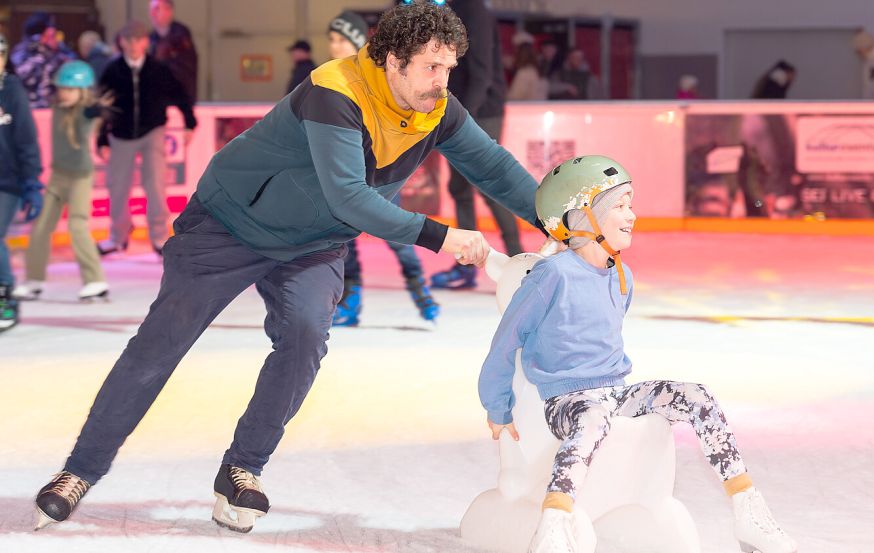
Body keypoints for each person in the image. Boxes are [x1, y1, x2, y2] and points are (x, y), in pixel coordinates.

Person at [33, 1, 544, 533]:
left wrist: (556, 217)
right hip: (230, 222)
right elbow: (348, 196)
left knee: (304, 336)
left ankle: (242, 469)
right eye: (430, 68)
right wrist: (440, 235)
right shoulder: (336, 91)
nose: (442, 83)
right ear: (393, 60)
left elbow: (492, 165)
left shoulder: (436, 108)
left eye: (448, 69)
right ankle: (79, 471)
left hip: (313, 244)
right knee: (161, 343)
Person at [478, 155, 798, 553]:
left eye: (631, 203)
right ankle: (555, 523)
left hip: (615, 393)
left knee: (696, 395)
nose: (632, 215)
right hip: (567, 402)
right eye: (620, 205)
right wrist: (497, 407)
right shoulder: (551, 276)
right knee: (594, 416)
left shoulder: (621, 275)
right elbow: (506, 341)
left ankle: (748, 509)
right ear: (581, 216)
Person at [324, 10, 439, 326]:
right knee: (345, 243)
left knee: (398, 237)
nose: (334, 47)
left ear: (357, 41)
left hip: (378, 176)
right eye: (331, 40)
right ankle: (350, 302)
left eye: (341, 40)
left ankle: (422, 295)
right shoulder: (327, 77)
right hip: (345, 177)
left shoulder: (379, 78)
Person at [430, 0, 524, 290]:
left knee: (490, 186)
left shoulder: (473, 9)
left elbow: (482, 72)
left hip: (482, 109)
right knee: (460, 188)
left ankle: (520, 263)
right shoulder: (446, 7)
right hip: (464, 107)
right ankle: (469, 264)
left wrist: (460, 118)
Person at [94, 20, 196, 256]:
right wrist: (101, 139)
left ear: (145, 43)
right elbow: (102, 107)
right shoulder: (112, 71)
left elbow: (181, 95)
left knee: (156, 186)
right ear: (121, 42)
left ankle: (159, 235)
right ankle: (118, 236)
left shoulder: (158, 70)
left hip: (152, 132)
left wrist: (189, 122)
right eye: (128, 40)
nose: (132, 45)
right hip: (120, 135)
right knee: (117, 187)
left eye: (138, 40)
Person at [13, 61, 111, 303]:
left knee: (77, 225)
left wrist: (96, 109)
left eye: (69, 89)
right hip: (57, 177)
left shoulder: (84, 112)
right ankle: (34, 279)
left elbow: (92, 113)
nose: (63, 93)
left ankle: (95, 280)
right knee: (41, 226)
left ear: (82, 91)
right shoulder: (58, 107)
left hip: (80, 177)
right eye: (61, 88)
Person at [0, 32, 44, 331]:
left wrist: (31, 182)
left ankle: (5, 296)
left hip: (7, 181)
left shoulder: (12, 90)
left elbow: (26, 139)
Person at [10, 12, 76, 108]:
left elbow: (72, 68)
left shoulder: (57, 53)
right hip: (29, 108)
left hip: (51, 108)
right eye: (51, 29)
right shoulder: (23, 53)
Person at [149, 0, 198, 103]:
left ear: (169, 11)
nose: (152, 13)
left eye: (157, 8)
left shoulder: (181, 35)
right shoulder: (151, 38)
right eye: (152, 9)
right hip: (159, 102)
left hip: (180, 101)